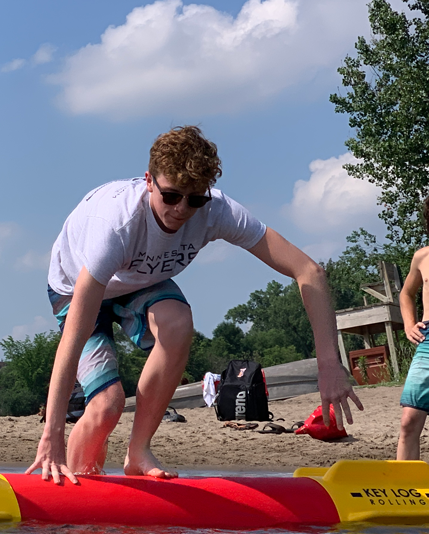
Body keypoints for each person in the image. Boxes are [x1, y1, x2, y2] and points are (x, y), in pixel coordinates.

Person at [28, 126, 362, 485]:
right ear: (149, 182)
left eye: (195, 199)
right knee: (107, 406)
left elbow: (309, 272)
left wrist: (329, 363)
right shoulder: (116, 226)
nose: (181, 210)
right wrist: (52, 436)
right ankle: (76, 498)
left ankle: (138, 452)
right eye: (171, 196)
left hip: (140, 280)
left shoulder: (217, 211)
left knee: (178, 323)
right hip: (75, 286)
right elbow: (74, 337)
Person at [397, 197, 429, 460]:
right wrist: (409, 323)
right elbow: (406, 294)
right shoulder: (422, 256)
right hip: (428, 340)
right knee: (409, 421)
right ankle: (402, 491)